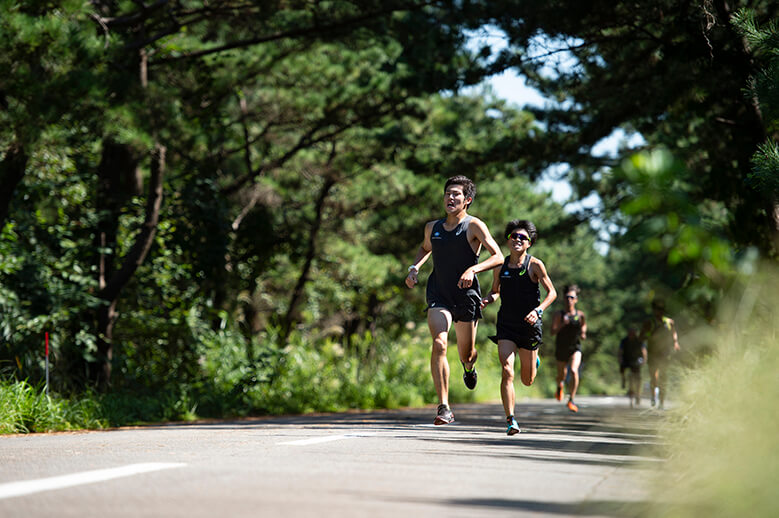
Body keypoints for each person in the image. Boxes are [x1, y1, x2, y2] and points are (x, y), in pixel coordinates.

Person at [405, 175, 503, 425]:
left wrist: (473, 270)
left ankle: (469, 368)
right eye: (448, 193)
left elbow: (498, 256)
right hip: (439, 293)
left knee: (467, 354)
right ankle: (444, 407)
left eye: (456, 194)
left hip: (466, 296)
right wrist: (414, 267)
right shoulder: (432, 227)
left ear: (467, 200)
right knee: (439, 343)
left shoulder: (474, 226)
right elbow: (425, 248)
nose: (450, 197)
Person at [481, 220, 557, 435]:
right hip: (507, 324)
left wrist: (538, 310)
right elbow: (495, 291)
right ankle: (510, 419)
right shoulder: (500, 266)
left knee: (527, 379)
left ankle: (534, 359)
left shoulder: (535, 265)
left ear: (529, 243)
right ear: (508, 240)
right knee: (507, 371)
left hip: (530, 326)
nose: (517, 240)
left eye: (523, 237)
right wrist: (488, 299)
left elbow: (552, 293)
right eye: (513, 236)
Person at [550, 284, 587, 413]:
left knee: (573, 370)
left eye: (572, 297)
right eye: (567, 297)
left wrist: (583, 333)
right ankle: (560, 386)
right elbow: (552, 332)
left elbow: (583, 326)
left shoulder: (580, 315)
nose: (569, 300)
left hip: (575, 347)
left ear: (576, 299)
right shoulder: (559, 314)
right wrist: (562, 324)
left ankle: (571, 399)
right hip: (561, 347)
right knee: (561, 375)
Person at [641, 299, 680, 408]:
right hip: (653, 353)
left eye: (661, 309)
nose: (660, 311)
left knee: (664, 377)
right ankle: (653, 397)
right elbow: (642, 336)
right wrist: (649, 336)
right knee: (654, 377)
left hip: (665, 353)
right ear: (654, 310)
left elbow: (674, 333)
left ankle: (662, 401)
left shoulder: (669, 322)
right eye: (657, 309)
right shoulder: (649, 323)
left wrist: (676, 343)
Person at [617, 326, 647, 408]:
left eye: (633, 333)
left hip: (637, 360)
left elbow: (643, 351)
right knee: (622, 367)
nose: (631, 335)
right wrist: (620, 359)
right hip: (626, 359)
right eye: (630, 333)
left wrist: (644, 360)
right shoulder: (624, 341)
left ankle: (638, 393)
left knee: (638, 376)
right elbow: (620, 351)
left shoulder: (639, 341)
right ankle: (623, 379)